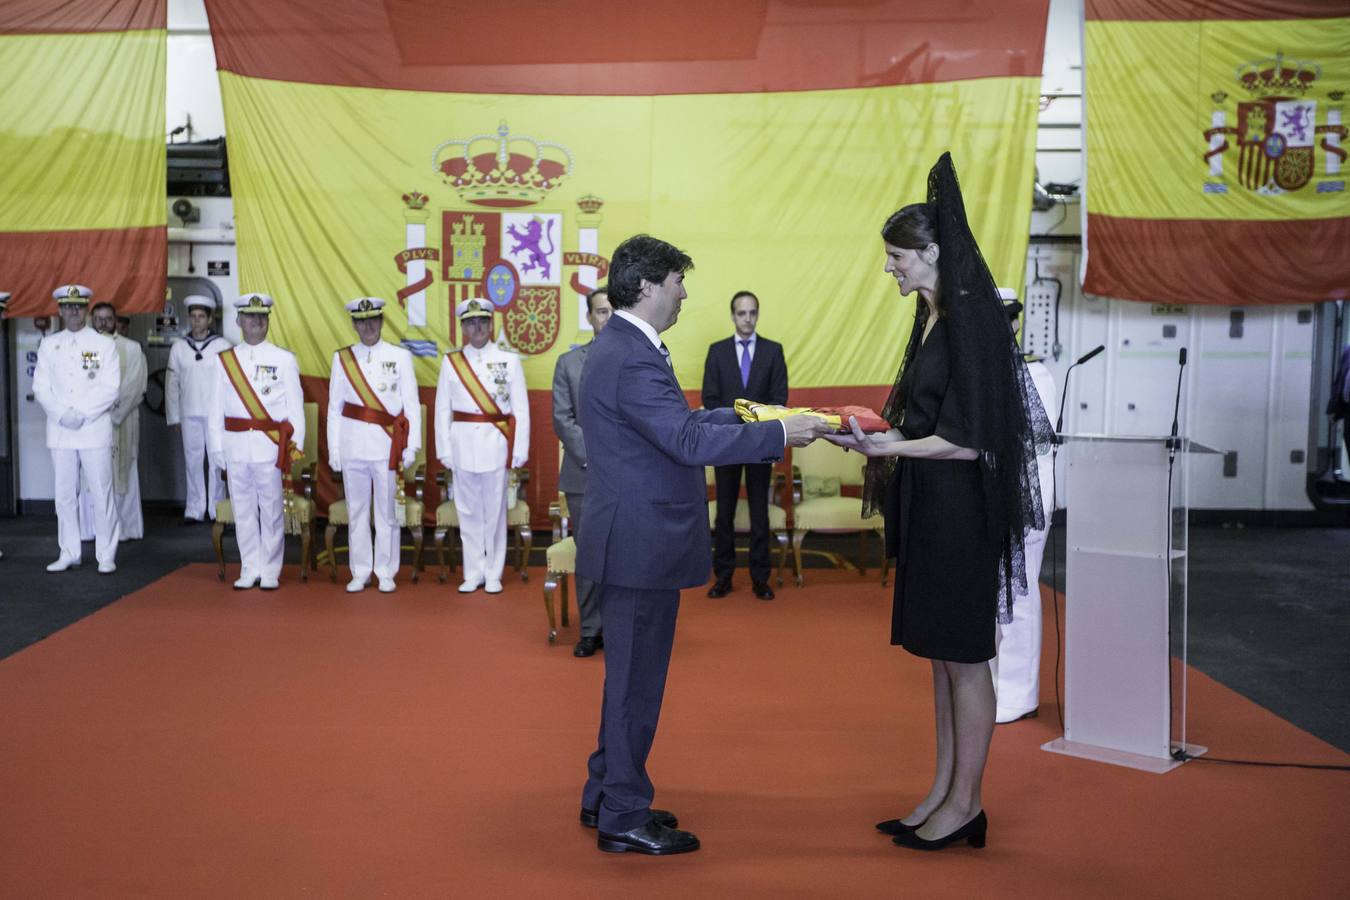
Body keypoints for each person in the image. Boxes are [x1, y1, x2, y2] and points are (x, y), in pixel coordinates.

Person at [575, 234, 832, 856]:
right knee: (637, 683)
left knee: (628, 680)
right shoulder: (632, 356)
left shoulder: (623, 348)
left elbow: (680, 426)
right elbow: (685, 442)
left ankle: (607, 792)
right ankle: (623, 816)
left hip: (631, 537)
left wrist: (757, 417)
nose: (685, 292)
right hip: (639, 543)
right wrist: (777, 431)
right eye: (677, 282)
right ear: (646, 287)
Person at [826, 154, 1052, 852]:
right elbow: (924, 424)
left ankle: (967, 805)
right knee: (942, 659)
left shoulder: (969, 323)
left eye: (898, 257)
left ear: (931, 252)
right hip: (933, 505)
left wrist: (890, 449)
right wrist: (874, 436)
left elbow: (969, 439)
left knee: (965, 655)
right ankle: (945, 792)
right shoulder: (932, 316)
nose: (890, 268)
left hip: (962, 512)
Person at [989, 293, 1057, 724]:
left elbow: (1038, 438)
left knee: (1020, 591)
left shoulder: (1034, 372)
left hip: (1028, 494)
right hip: (993, 493)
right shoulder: (986, 371)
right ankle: (995, 686)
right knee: (995, 594)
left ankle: (1020, 694)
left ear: (1014, 324)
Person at [207, 293, 305, 590]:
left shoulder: (284, 360)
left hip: (269, 448)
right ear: (238, 321)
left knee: (272, 509)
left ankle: (271, 569)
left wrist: (294, 446)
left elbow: (295, 408)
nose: (256, 321)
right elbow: (215, 408)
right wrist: (216, 449)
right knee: (244, 510)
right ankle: (250, 566)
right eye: (250, 316)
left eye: (261, 316)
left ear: (268, 321)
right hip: (235, 446)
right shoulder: (225, 361)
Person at [434, 298, 530, 594]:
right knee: (468, 512)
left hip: (496, 445)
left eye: (482, 322)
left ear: (491, 324)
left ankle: (493, 573)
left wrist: (519, 451)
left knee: (495, 513)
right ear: (463, 327)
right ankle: (473, 571)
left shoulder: (509, 360)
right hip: (462, 445)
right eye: (470, 322)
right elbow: (442, 410)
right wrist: (444, 450)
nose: (477, 328)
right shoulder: (451, 362)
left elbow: (520, 410)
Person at [327, 297, 421, 593]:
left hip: (386, 448)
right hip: (352, 444)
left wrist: (411, 446)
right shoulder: (342, 359)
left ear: (381, 321)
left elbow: (412, 405)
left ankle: (386, 570)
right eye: (361, 321)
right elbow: (334, 407)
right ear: (354, 324)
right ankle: (360, 571)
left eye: (373, 320)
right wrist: (334, 449)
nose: (367, 326)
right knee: (356, 512)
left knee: (386, 513)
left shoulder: (400, 356)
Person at [702, 290, 789, 600]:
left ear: (757, 314)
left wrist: (756, 426)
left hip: (759, 444)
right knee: (723, 512)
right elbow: (709, 400)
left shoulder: (772, 351)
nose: (747, 318)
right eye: (742, 313)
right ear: (733, 316)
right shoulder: (717, 352)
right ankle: (723, 577)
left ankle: (760, 578)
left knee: (759, 512)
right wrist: (735, 425)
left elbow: (779, 398)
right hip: (725, 445)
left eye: (752, 312)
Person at [32, 284, 122, 574]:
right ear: (59, 310)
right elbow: (40, 387)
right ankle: (69, 551)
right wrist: (63, 415)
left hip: (93, 428)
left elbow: (110, 388)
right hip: (61, 431)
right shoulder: (49, 345)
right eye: (68, 306)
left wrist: (81, 414)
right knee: (65, 496)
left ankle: (106, 554)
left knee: (101, 492)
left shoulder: (104, 344)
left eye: (79, 306)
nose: (73, 311)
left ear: (86, 309)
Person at [552, 287, 614, 657]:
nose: (606, 318)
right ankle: (591, 629)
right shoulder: (569, 364)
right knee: (590, 553)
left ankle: (622, 626)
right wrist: (596, 458)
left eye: (612, 311)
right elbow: (563, 419)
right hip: (584, 473)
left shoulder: (638, 361)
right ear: (590, 318)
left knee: (625, 553)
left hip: (629, 477)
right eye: (600, 312)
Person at [79, 302, 147, 541]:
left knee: (123, 472)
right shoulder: (83, 347)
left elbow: (135, 386)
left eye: (108, 319)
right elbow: (81, 384)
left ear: (116, 321)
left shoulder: (131, 348)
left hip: (122, 420)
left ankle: (124, 529)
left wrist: (113, 414)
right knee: (90, 474)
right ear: (91, 320)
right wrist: (93, 410)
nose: (103, 323)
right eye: (98, 319)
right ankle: (92, 529)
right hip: (91, 421)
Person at [167, 295, 229, 523]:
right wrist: (174, 417)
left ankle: (216, 508)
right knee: (192, 461)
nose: (197, 321)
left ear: (210, 318)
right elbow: (171, 384)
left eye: (201, 316)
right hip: (189, 411)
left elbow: (230, 383)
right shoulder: (179, 347)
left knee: (216, 461)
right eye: (193, 317)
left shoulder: (222, 346)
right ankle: (194, 508)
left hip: (215, 414)